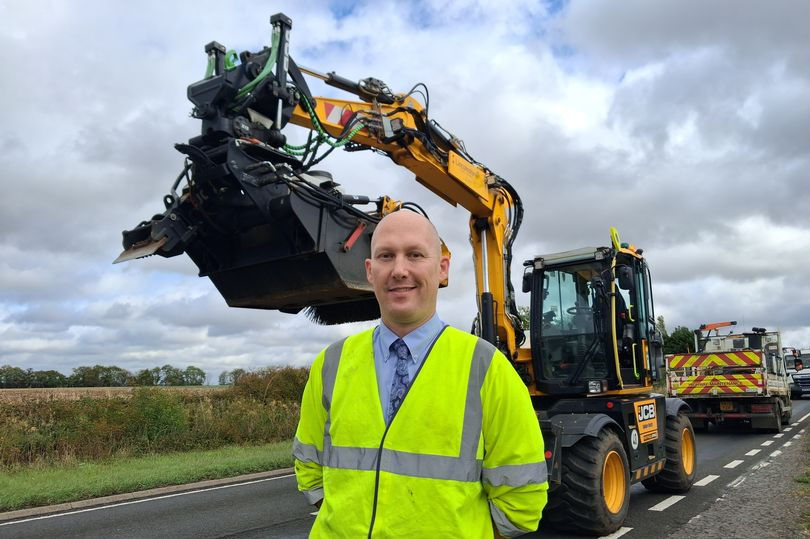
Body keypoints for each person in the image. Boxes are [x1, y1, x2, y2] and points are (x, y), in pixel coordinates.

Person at [293, 210, 548, 538]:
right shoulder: (332, 363)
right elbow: (309, 466)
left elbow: (522, 498)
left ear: (441, 267)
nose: (399, 270)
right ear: (370, 271)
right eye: (386, 256)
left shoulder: (487, 369)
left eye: (414, 255)